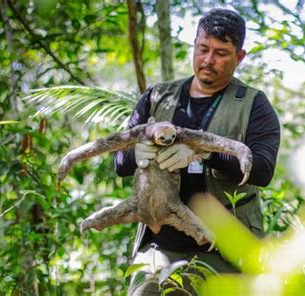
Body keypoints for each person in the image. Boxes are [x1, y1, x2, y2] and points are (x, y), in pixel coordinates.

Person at [114, 8, 280, 295]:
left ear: (239, 57)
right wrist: (137, 153)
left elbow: (263, 169)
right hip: (158, 250)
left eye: (221, 52)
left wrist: (204, 153)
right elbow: (119, 162)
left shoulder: (253, 104)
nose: (208, 60)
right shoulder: (157, 97)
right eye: (203, 49)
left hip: (222, 252)